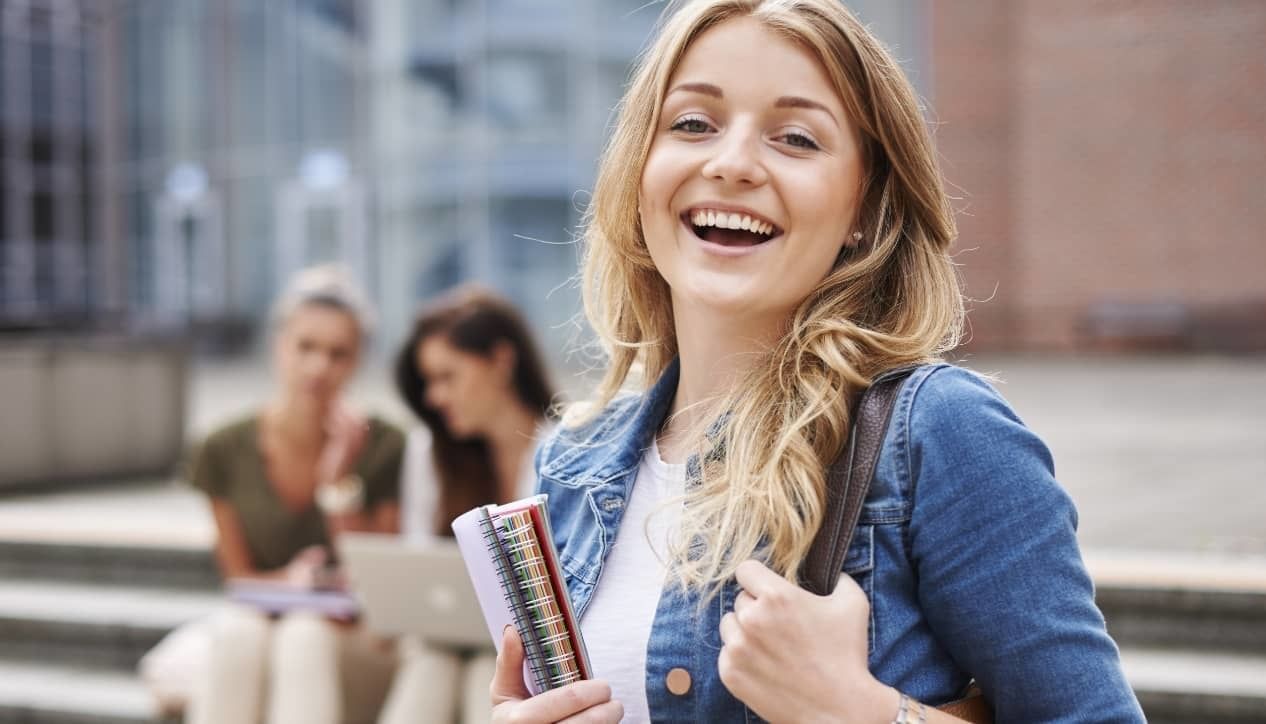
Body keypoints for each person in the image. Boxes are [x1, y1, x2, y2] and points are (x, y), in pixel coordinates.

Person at [488, 1, 1147, 723]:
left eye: (796, 138)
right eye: (691, 124)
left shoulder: (936, 434)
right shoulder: (571, 465)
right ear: (639, 169)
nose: (731, 163)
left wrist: (859, 712)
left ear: (864, 204)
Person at [185, 265, 405, 724]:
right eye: (305, 347)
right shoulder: (223, 447)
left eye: (338, 353)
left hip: (354, 642)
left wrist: (337, 479)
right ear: (278, 346)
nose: (319, 367)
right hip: (263, 627)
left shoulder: (384, 444)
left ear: (357, 361)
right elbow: (238, 578)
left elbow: (377, 582)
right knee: (239, 632)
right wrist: (290, 582)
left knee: (303, 634)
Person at [378, 284, 556, 724]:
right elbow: (419, 563)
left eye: (447, 376)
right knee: (433, 664)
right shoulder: (430, 451)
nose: (434, 398)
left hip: (531, 656)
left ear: (500, 361)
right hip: (440, 643)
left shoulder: (565, 452)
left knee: (488, 672)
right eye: (428, 382)